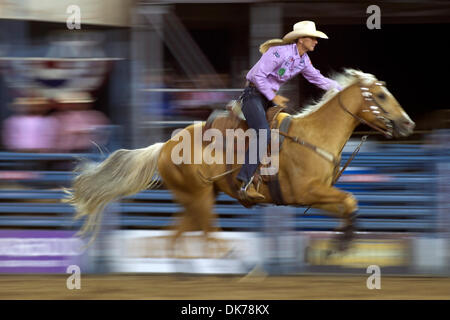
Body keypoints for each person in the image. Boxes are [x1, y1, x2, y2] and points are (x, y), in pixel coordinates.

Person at [237, 21, 342, 201]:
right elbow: (257, 75)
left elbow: (318, 79)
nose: (316, 41)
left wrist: (343, 88)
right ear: (301, 39)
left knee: (283, 133)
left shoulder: (303, 60)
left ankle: (269, 177)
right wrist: (274, 97)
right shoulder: (279, 52)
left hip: (267, 99)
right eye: (313, 38)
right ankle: (244, 182)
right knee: (263, 134)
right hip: (253, 95)